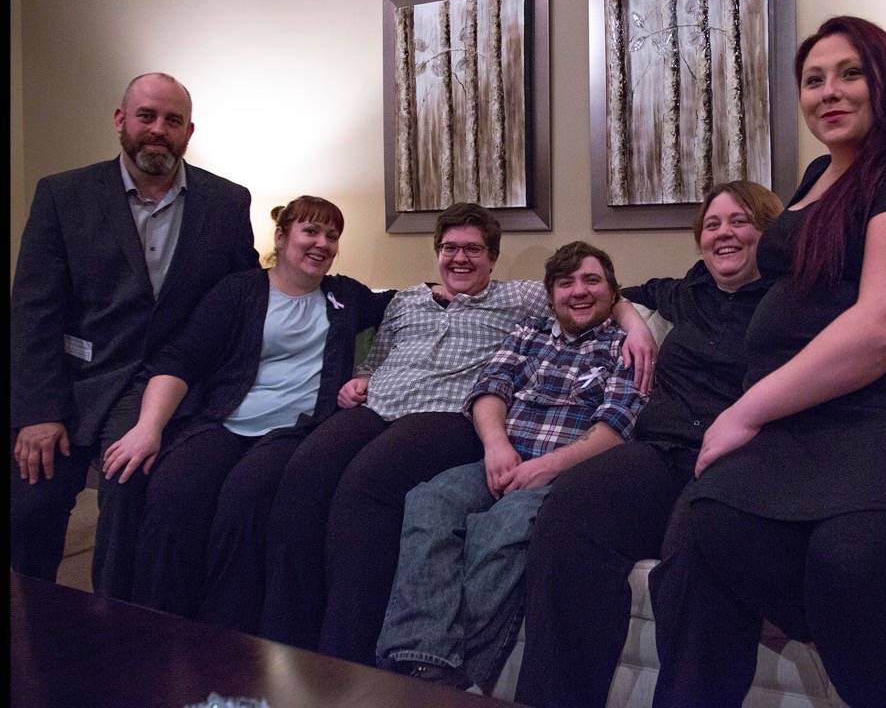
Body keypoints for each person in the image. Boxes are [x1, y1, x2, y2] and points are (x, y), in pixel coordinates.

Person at [647, 16, 886, 708]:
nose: (830, 91)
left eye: (850, 73)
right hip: (814, 428)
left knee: (847, 565)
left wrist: (745, 411)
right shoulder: (820, 175)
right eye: (814, 79)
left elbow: (885, 326)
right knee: (705, 528)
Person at [251, 203, 656, 657]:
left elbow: (597, 299)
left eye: (473, 249)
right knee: (304, 474)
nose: (459, 258)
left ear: (492, 257)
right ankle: (282, 642)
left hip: (443, 416)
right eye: (449, 248)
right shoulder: (410, 301)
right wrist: (362, 379)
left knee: (363, 488)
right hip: (383, 406)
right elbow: (385, 357)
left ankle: (348, 653)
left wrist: (636, 326)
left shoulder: (519, 300)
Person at [513, 181, 783, 708]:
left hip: (734, 462)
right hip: (657, 451)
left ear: (767, 230)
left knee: (694, 564)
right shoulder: (689, 291)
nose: (723, 233)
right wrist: (634, 325)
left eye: (739, 221)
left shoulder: (791, 301)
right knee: (569, 513)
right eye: (712, 224)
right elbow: (615, 294)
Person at [10, 72, 258, 598]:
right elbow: (33, 312)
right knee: (31, 503)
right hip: (75, 382)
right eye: (147, 116)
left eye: (172, 121)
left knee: (129, 491)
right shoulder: (63, 195)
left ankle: (116, 634)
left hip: (160, 388)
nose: (158, 130)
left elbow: (241, 302)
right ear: (121, 121)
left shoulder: (228, 203)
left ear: (189, 131)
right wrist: (37, 412)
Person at [375, 241, 645, 689]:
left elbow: (616, 427)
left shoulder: (627, 347)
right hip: (503, 458)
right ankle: (419, 660)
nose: (578, 291)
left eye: (591, 280)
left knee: (502, 527)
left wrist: (547, 467)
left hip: (567, 476)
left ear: (613, 293)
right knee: (428, 501)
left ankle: (460, 673)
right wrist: (497, 446)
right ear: (550, 293)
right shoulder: (530, 331)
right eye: (565, 282)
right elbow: (490, 388)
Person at [113, 196, 394, 625]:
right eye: (311, 231)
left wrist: (450, 285)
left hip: (296, 432)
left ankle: (226, 634)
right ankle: (153, 625)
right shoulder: (239, 291)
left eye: (332, 236)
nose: (322, 243)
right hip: (224, 423)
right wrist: (148, 428)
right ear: (281, 238)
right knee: (172, 495)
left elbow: (407, 303)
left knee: (243, 504)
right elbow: (183, 358)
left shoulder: (345, 296)